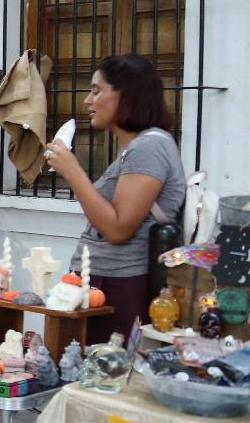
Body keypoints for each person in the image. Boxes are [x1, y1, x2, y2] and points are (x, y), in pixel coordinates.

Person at [45, 54, 186, 335]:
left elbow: (118, 228)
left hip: (119, 285)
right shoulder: (135, 149)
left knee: (104, 372)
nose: (87, 100)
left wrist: (72, 171)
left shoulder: (149, 148)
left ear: (126, 96)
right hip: (101, 279)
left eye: (97, 91)